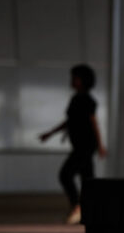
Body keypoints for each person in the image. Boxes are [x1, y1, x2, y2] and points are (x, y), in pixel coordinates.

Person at [39, 64, 106, 224]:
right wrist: (50, 133)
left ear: (84, 80)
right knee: (87, 179)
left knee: (65, 174)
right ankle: (88, 210)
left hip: (86, 146)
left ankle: (78, 206)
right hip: (80, 145)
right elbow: (69, 122)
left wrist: (100, 144)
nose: (72, 80)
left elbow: (94, 123)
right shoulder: (75, 99)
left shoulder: (88, 100)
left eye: (75, 78)